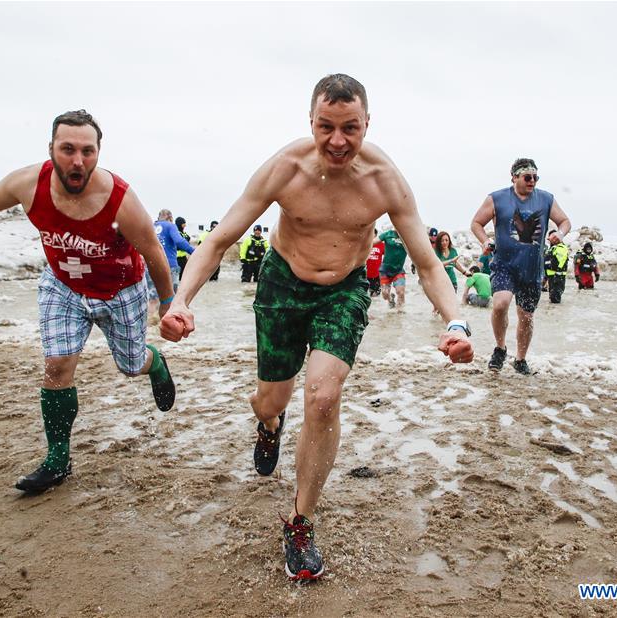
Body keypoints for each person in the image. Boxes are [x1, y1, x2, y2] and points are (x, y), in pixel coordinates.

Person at [159, 74, 473, 581]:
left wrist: (456, 322)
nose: (338, 141)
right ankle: (268, 425)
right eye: (326, 126)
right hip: (283, 284)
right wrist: (180, 301)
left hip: (344, 289)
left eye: (351, 127)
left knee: (324, 397)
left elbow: (429, 264)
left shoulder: (385, 180)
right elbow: (218, 242)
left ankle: (300, 521)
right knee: (271, 400)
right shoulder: (285, 169)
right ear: (310, 121)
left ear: (367, 123)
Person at [0, 109, 177, 493]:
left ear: (99, 152)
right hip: (63, 287)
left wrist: (170, 304)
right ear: (51, 149)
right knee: (56, 366)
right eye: (67, 148)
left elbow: (153, 250)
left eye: (87, 151)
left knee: (130, 363)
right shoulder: (29, 184)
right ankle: (58, 459)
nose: (77, 160)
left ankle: (152, 364)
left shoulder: (120, 199)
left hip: (119, 291)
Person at [470, 157, 571, 375]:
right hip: (505, 264)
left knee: (526, 316)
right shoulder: (496, 198)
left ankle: (520, 359)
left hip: (532, 269)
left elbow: (564, 221)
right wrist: (485, 241)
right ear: (514, 177)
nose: (532, 181)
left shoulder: (546, 199)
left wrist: (559, 234)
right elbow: (476, 223)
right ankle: (500, 348)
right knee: (500, 304)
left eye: (536, 177)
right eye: (527, 177)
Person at [146, 209, 194, 315]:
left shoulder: (151, 226)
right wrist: (193, 251)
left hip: (150, 266)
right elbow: (179, 241)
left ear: (159, 217)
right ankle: (169, 326)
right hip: (169, 266)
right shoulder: (170, 226)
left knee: (152, 299)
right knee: (172, 299)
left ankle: (150, 326)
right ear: (170, 217)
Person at [378, 226, 408, 308]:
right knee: (385, 294)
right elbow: (372, 242)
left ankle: (399, 313)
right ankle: (391, 299)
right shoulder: (388, 234)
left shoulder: (407, 237)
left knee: (401, 292)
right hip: (385, 270)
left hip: (398, 271)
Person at [543, 231, 569, 303]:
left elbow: (560, 262)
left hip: (557, 277)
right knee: (552, 298)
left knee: (555, 299)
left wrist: (557, 273)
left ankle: (556, 313)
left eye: (551, 238)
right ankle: (550, 313)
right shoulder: (552, 248)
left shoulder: (561, 248)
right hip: (551, 277)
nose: (550, 240)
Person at [366, 229, 385, 297]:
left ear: (376, 235)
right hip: (365, 274)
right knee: (365, 295)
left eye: (372, 233)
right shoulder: (364, 245)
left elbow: (389, 254)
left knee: (375, 295)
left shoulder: (381, 245)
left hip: (377, 274)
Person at [175, 216, 191, 280]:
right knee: (179, 275)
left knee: (185, 274)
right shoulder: (176, 233)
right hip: (177, 258)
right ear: (180, 224)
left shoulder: (183, 233)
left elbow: (187, 239)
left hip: (183, 257)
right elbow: (181, 244)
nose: (185, 225)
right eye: (183, 223)